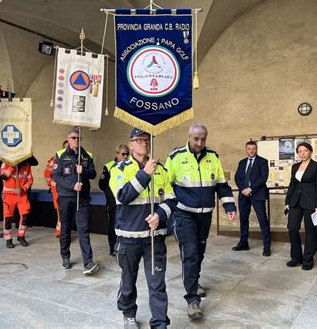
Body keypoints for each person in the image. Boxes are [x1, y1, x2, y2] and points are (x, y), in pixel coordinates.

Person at [164, 124, 236, 320]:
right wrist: (166, 211)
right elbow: (165, 185)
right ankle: (192, 300)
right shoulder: (176, 157)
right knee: (191, 253)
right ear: (189, 137)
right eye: (196, 139)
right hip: (184, 215)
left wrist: (229, 207)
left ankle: (193, 280)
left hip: (205, 216)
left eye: (203, 139)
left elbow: (221, 184)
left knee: (199, 252)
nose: (200, 143)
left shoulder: (213, 156)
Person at [109, 128, 173, 329]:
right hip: (129, 238)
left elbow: (171, 199)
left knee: (157, 284)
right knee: (128, 281)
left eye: (146, 140)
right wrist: (144, 174)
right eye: (138, 140)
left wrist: (160, 215)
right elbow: (123, 196)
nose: (143, 143)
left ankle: (160, 323)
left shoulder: (161, 169)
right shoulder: (119, 169)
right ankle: (128, 314)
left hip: (154, 238)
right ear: (130, 144)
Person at [52, 127, 99, 275]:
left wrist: (83, 171)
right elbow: (56, 176)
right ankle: (65, 256)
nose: (76, 140)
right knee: (66, 229)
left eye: (79, 138)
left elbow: (93, 173)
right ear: (68, 138)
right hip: (66, 197)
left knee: (83, 230)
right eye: (73, 138)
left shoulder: (87, 155)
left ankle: (88, 262)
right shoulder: (60, 155)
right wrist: (72, 185)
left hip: (83, 198)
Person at [285, 141, 317, 271]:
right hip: (295, 201)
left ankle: (308, 259)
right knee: (292, 228)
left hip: (311, 202)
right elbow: (292, 185)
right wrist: (287, 201)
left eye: (305, 151)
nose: (302, 153)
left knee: (310, 231)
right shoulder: (295, 167)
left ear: (310, 151)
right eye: (300, 151)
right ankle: (296, 258)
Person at [233, 141, 271, 256]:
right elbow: (237, 177)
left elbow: (263, 178)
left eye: (253, 148)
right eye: (249, 149)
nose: (251, 151)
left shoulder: (263, 162)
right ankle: (243, 243)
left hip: (257, 194)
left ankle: (267, 247)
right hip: (243, 195)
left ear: (257, 149)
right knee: (243, 220)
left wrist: (250, 189)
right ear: (246, 149)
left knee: (262, 221)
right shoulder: (242, 162)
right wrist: (243, 189)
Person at [98, 143, 129, 256]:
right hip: (113, 201)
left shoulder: (129, 166)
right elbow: (102, 184)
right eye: (123, 154)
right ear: (117, 154)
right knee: (113, 224)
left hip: (125, 200)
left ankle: (124, 247)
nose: (126, 157)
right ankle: (113, 247)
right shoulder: (109, 166)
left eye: (127, 154)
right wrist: (109, 194)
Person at [0, 159, 33, 248]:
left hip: (22, 195)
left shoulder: (27, 166)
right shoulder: (5, 164)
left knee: (26, 216)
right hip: (8, 195)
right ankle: (8, 239)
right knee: (7, 218)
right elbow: (4, 177)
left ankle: (21, 236)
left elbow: (30, 180)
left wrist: (23, 188)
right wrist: (12, 167)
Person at [44, 140, 68, 238]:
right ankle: (60, 232)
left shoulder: (75, 159)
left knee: (66, 211)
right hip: (57, 189)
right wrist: (51, 184)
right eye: (66, 147)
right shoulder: (55, 159)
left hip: (69, 189)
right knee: (60, 210)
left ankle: (63, 231)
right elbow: (47, 173)